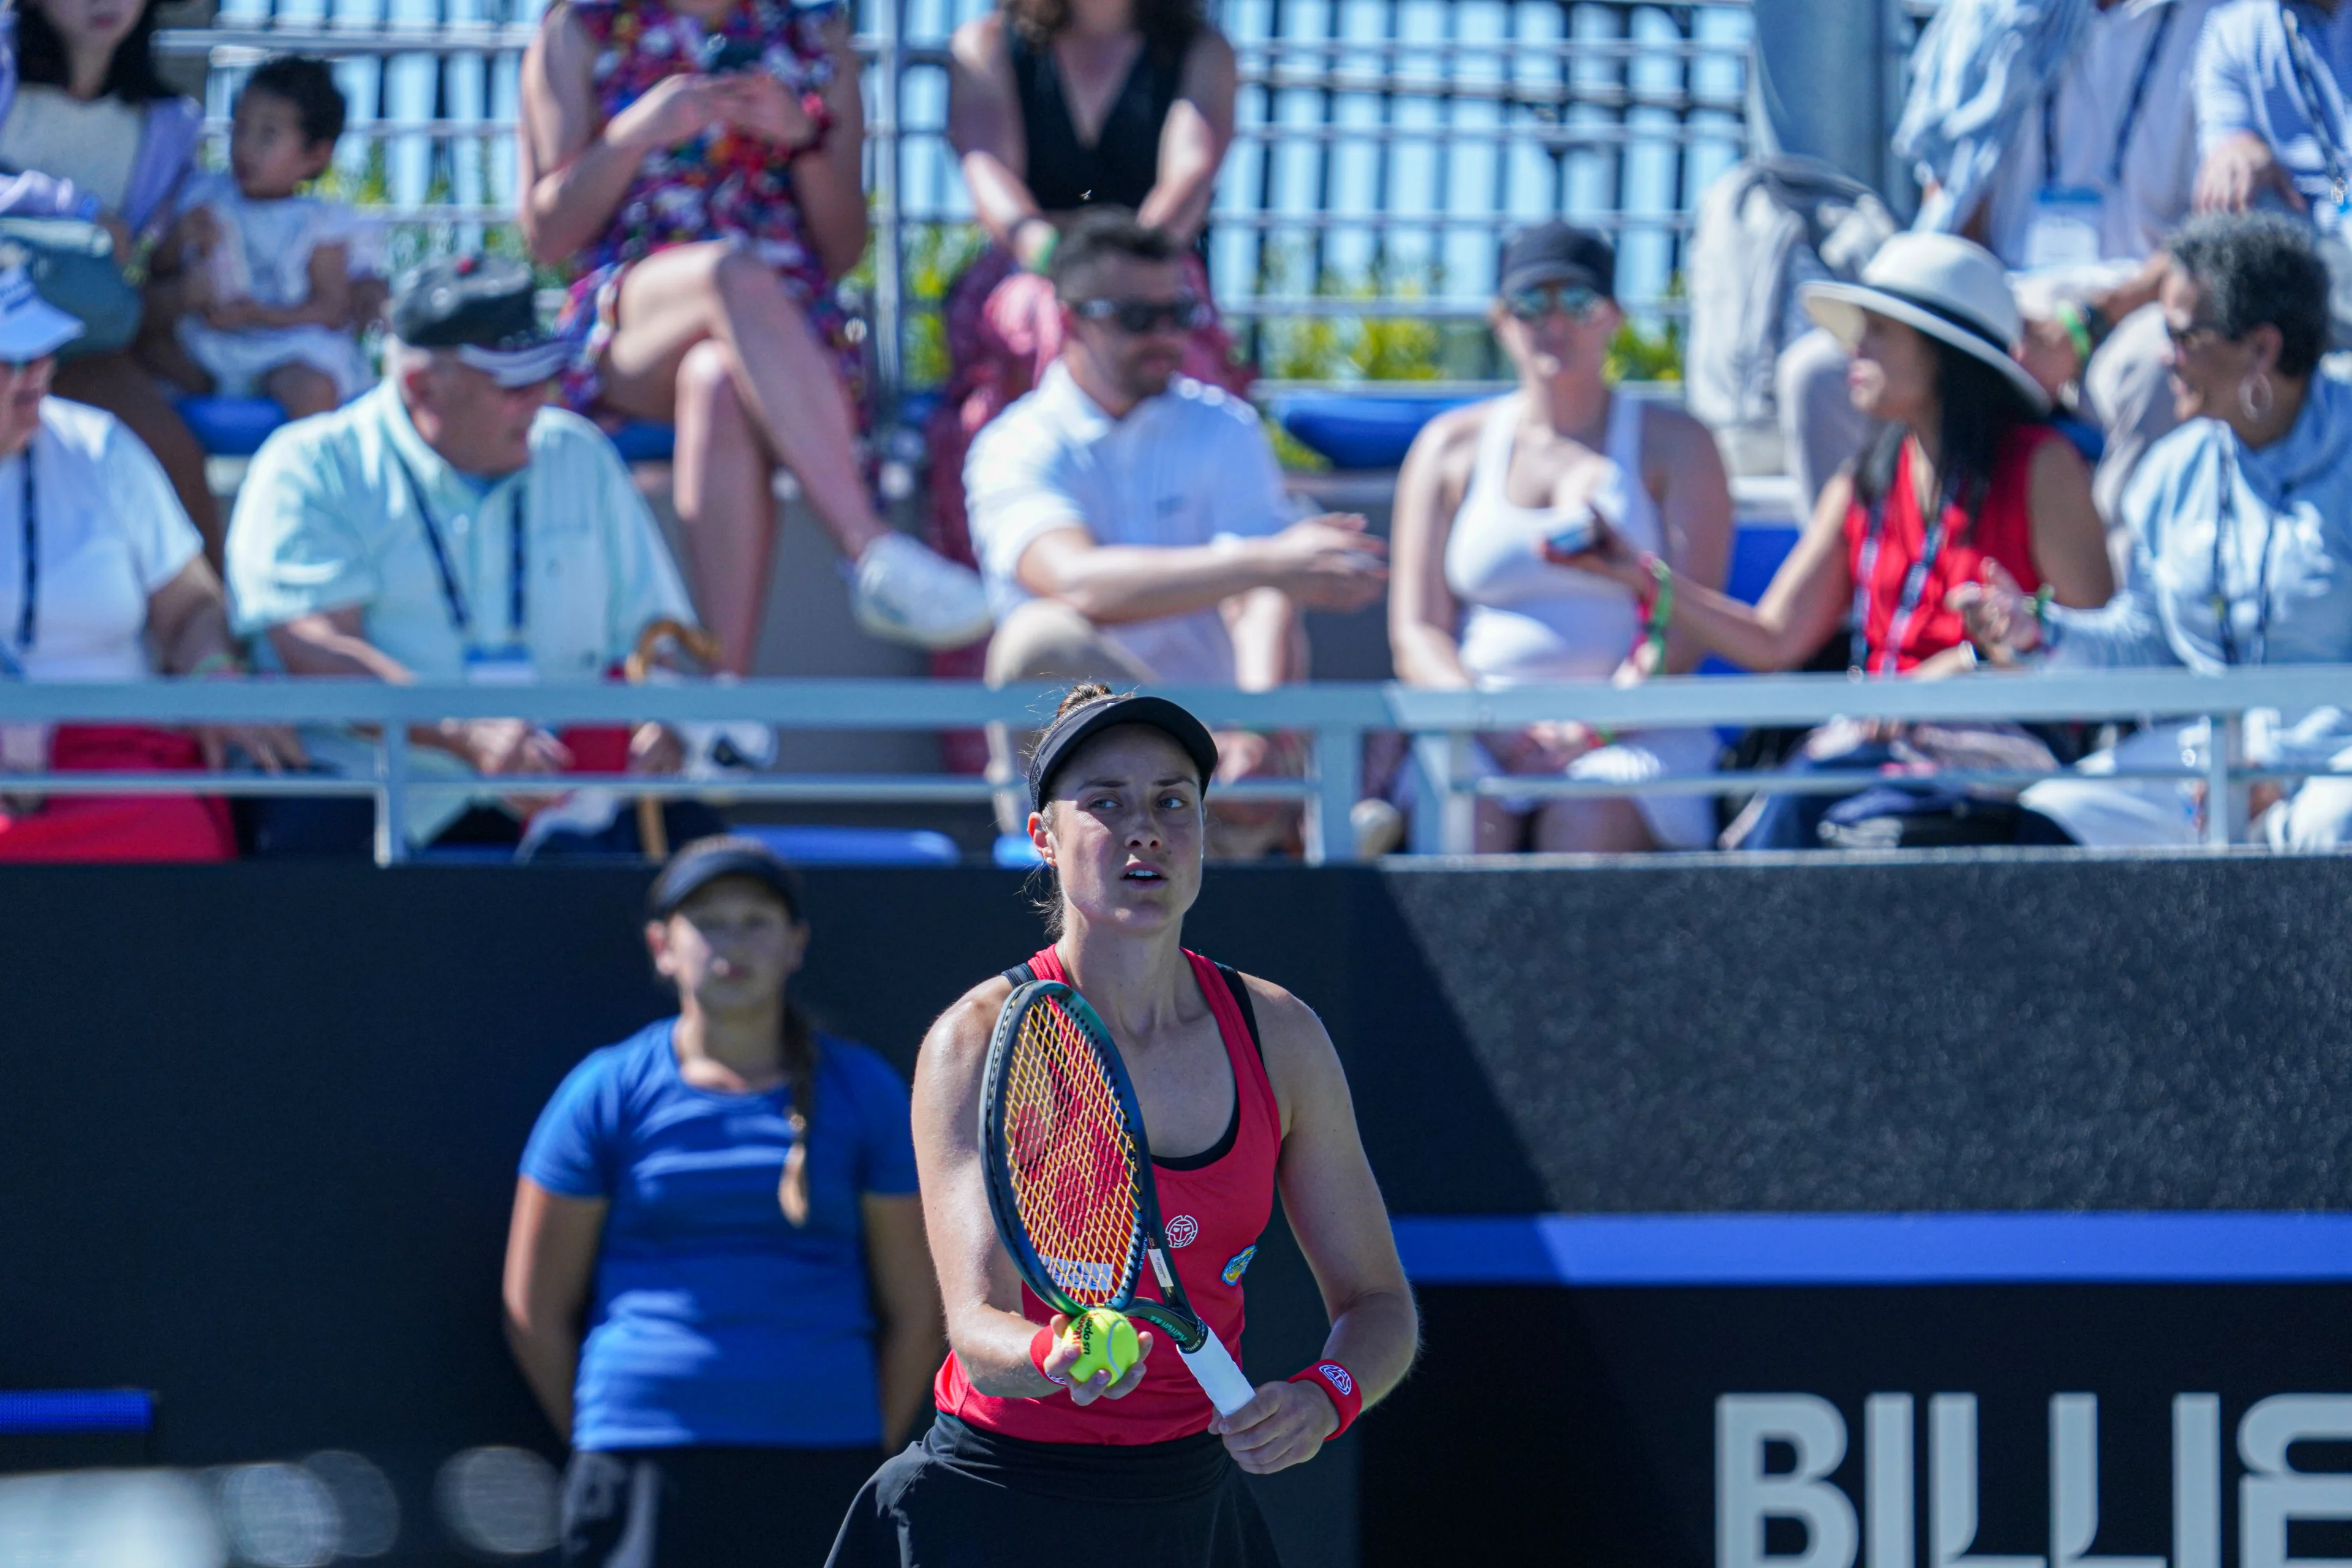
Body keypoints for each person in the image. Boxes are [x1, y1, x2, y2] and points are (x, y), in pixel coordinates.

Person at [826, 684, 1418, 1568]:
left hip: (1191, 1511)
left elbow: (1379, 1306)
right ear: (1044, 840)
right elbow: (978, 1329)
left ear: (1204, 833)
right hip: (991, 1509)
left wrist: (1327, 1395)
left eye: (1172, 802)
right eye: (1104, 803)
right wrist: (1055, 1353)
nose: (1145, 829)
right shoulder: (973, 1041)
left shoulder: (1282, 1036)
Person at [1553, 232, 2114, 850]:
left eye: (1879, 330)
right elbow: (1773, 638)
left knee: (1814, 817)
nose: (1853, 346)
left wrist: (1962, 667)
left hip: (2002, 751)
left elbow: (2090, 638)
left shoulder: (2043, 466)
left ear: (1943, 354)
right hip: (1874, 749)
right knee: (1788, 817)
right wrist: (1642, 576)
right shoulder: (1865, 481)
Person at [505, 837, 942, 1566]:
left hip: (826, 1458)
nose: (731, 943)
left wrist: (859, 1438)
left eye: (756, 920)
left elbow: (919, 1314)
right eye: (707, 920)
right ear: (662, 946)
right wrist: (616, 1426)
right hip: (639, 1461)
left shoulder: (863, 1090)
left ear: (795, 944)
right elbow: (534, 1310)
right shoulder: (604, 1090)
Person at [518, 0, 991, 670]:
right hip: (630, 317)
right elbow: (548, 236)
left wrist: (801, 138)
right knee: (729, 273)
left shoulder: (816, 35)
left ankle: (725, 701)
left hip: (784, 332)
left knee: (717, 378)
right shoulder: (582, 28)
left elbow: (841, 247)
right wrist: (631, 134)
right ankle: (867, 545)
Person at [225, 256, 704, 858]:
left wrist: (658, 719)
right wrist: (463, 733)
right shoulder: (308, 466)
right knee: (314, 861)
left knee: (715, 874)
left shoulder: (578, 453)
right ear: (421, 387)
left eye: (544, 378)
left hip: (563, 798)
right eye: (513, 386)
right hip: (374, 793)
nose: (541, 400)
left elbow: (651, 640)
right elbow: (316, 650)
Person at [963, 210, 1387, 856]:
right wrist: (1268, 561)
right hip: (1090, 791)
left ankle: (1243, 808)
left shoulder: (1224, 425)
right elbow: (1078, 584)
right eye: (1138, 317)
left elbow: (1264, 597)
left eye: (1179, 313)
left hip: (1227, 774)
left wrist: (1254, 729)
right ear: (1071, 319)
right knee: (1037, 638)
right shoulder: (1014, 444)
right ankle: (1260, 820)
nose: (1166, 334)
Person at [1959, 214, 2352, 849]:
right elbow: (2146, 644)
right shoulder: (2175, 469)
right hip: (2216, 754)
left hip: (2336, 758)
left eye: (2181, 335)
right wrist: (2040, 631)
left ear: (2262, 349)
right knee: (2056, 816)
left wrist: (2283, 768)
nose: (2164, 355)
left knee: (2328, 827)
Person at [1784, 0, 2218, 541]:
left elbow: (2217, 235)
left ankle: (2111, 612)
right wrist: (1987, 319)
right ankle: (1868, 610)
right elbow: (1953, 208)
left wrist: (2084, 325)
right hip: (1997, 299)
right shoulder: (1987, 16)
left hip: (2140, 303)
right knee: (1819, 377)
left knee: (2156, 370)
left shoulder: (2223, 21)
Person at [1388, 221, 1733, 854]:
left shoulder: (1680, 443)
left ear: (1613, 318)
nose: (1554, 323)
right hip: (1478, 734)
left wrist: (1592, 729)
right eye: (1530, 304)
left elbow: (1683, 625)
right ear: (1500, 320)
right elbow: (1417, 632)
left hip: (1641, 734)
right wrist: (1487, 725)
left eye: (1578, 302)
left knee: (1584, 826)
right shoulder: (1446, 447)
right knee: (1469, 830)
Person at [927, 0, 1246, 620]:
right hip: (1029, 274)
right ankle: (1029, 588)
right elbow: (989, 174)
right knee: (1044, 319)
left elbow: (1191, 172)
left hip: (1158, 271)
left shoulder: (1202, 52)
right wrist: (1065, 269)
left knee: (1158, 340)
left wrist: (1127, 280)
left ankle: (1164, 594)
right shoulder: (987, 45)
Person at [0, 263, 300, 861]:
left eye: (45, 353)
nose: (38, 372)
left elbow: (190, 605)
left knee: (176, 833)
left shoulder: (100, 448)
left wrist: (214, 672)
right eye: (15, 357)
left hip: (111, 760)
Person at [0, 0, 221, 558]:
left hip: (88, 348)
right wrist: (77, 208)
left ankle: (211, 638)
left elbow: (154, 262)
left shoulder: (170, 122)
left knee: (173, 458)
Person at [145, 56, 369, 421]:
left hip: (284, 347)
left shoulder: (318, 221)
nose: (246, 147)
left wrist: (260, 315)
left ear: (315, 155)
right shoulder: (204, 194)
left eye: (268, 135)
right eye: (240, 128)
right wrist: (179, 236)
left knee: (312, 388)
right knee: (141, 349)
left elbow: (331, 307)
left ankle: (307, 471)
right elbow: (157, 268)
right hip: (207, 343)